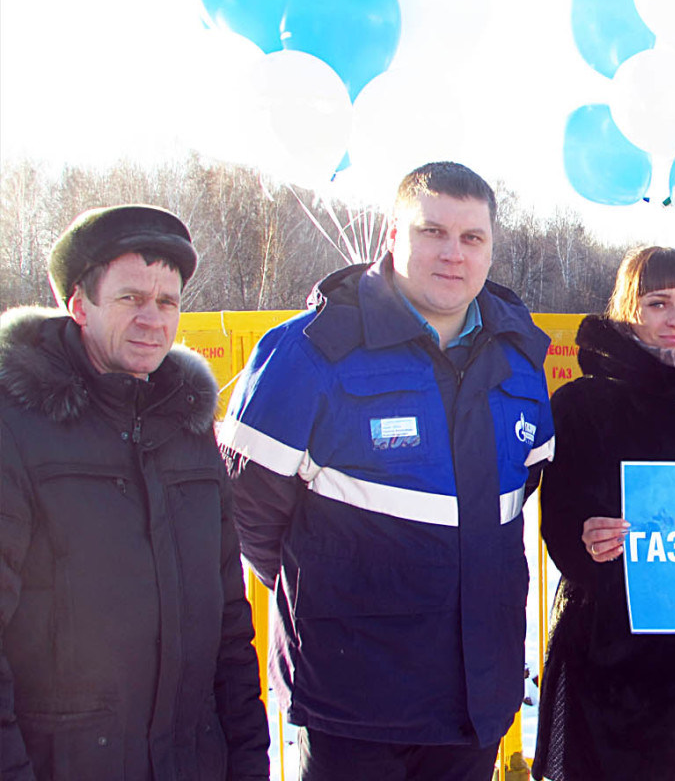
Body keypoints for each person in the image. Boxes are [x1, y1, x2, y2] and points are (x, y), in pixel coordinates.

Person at [219, 162, 554, 781]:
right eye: (432, 232)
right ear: (392, 237)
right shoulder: (311, 349)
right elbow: (249, 504)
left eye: (471, 238)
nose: (452, 254)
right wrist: (329, 591)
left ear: (491, 249)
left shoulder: (520, 356)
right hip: (354, 698)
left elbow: (516, 493)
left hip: (478, 693)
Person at [0, 205, 269, 781]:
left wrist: (249, 762)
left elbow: (228, 626)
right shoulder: (15, 428)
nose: (153, 320)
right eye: (129, 299)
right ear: (79, 304)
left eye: (166, 302)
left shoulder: (192, 431)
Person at [531, 246, 675, 781]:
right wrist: (585, 538)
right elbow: (562, 516)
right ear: (628, 309)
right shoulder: (582, 403)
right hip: (613, 646)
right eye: (658, 303)